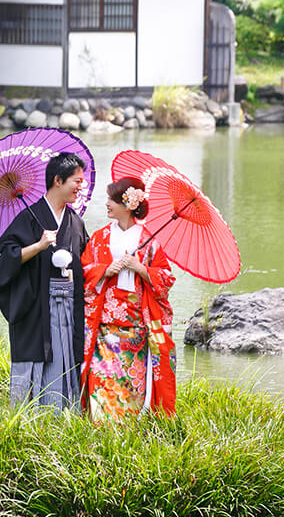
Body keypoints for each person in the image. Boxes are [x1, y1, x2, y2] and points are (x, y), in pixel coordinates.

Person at [0, 152, 87, 409]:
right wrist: (38, 245)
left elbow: (86, 265)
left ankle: (65, 412)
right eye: (76, 181)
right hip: (37, 306)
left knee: (68, 356)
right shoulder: (28, 218)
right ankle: (31, 414)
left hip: (69, 308)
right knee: (40, 356)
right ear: (58, 180)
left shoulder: (75, 222)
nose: (80, 186)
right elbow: (3, 259)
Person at [79, 177, 176, 420]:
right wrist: (104, 271)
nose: (107, 203)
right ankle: (100, 435)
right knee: (100, 385)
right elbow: (84, 270)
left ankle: (127, 436)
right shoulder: (100, 237)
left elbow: (166, 279)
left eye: (112, 199)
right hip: (103, 327)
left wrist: (140, 268)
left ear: (130, 204)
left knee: (133, 388)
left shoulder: (150, 241)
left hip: (137, 330)